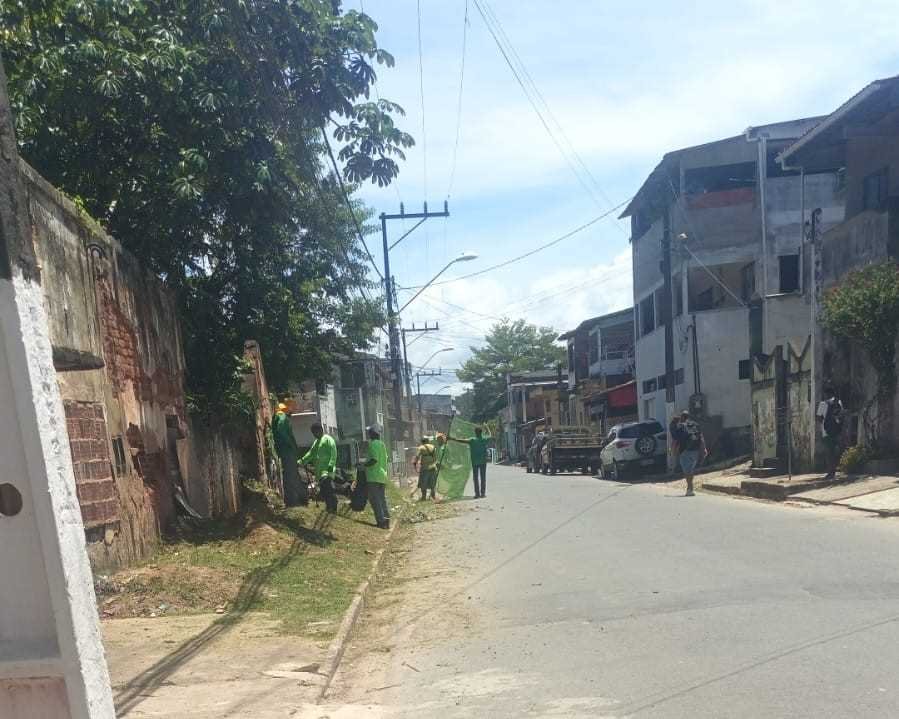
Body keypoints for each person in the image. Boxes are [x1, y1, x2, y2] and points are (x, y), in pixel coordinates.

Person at [300, 422, 338, 513]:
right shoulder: (316, 443)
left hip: (327, 471)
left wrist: (331, 465)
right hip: (319, 472)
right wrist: (301, 461)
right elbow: (310, 454)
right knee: (324, 490)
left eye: (315, 432)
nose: (314, 435)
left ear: (321, 430)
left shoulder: (328, 439)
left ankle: (334, 505)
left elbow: (334, 453)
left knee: (328, 488)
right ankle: (329, 507)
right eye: (313, 433)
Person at [272, 402, 302, 506]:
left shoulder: (278, 415)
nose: (292, 413)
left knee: (288, 474)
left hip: (283, 450)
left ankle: (291, 500)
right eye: (291, 410)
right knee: (290, 474)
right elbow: (281, 429)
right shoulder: (282, 416)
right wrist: (290, 443)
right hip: (287, 450)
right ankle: (292, 501)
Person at [671, 410, 706, 497]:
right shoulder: (695, 425)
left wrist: (673, 451)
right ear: (689, 416)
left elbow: (675, 440)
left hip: (684, 451)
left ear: (682, 417)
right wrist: (704, 449)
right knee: (690, 470)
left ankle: (690, 489)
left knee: (687, 471)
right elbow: (701, 437)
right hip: (695, 450)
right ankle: (690, 488)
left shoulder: (680, 426)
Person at [362, 425, 390, 529]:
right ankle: (386, 520)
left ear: (371, 435)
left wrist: (363, 465)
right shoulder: (382, 444)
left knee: (374, 500)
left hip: (373, 476)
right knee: (382, 499)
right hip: (382, 475)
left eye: (369, 433)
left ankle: (381, 521)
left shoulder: (372, 444)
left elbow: (374, 460)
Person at [450, 427, 489, 498]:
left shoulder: (472, 440)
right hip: (483, 461)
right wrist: (487, 427)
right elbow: (490, 435)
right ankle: (482, 494)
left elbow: (461, 440)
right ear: (481, 432)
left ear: (476, 432)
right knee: (483, 478)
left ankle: (477, 494)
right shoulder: (484, 439)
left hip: (475, 462)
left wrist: (452, 439)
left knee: (475, 478)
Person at [816, 384, 844, 479]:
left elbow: (819, 418)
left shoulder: (823, 404)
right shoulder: (839, 402)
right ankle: (834, 470)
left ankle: (830, 472)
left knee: (829, 452)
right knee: (835, 451)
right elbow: (841, 415)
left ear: (826, 394)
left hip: (826, 432)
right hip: (837, 431)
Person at [413, 436, 438, 501]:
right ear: (428, 441)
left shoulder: (421, 447)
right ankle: (433, 496)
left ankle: (424, 497)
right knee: (432, 483)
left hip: (425, 468)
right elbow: (435, 458)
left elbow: (417, 456)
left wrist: (415, 464)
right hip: (433, 467)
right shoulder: (433, 447)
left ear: (422, 442)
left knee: (423, 483)